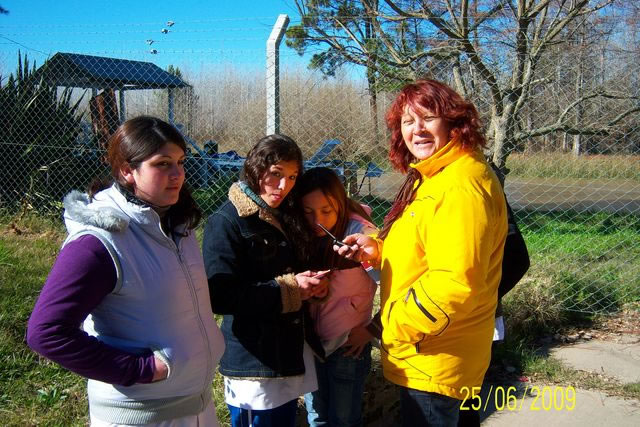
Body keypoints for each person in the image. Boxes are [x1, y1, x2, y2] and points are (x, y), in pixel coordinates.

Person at [26, 116, 225, 426]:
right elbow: (46, 332)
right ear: (126, 171)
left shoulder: (175, 225)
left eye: (180, 162)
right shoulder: (99, 242)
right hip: (141, 416)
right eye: (162, 164)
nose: (178, 174)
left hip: (195, 405)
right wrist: (139, 369)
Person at [335, 79, 508, 426]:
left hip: (434, 358)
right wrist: (376, 248)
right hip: (438, 353)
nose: (417, 130)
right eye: (407, 121)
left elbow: (454, 285)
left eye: (428, 118)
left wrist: (391, 325)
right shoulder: (437, 176)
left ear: (453, 121)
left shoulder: (458, 187)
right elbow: (427, 247)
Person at [202, 134, 329, 427]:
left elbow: (292, 270)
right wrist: (291, 289)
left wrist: (312, 285)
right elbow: (220, 295)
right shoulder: (227, 221)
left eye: (292, 176)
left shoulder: (282, 214)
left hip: (286, 353)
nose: (284, 185)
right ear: (255, 169)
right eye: (276, 174)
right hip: (253, 362)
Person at [297, 167, 379, 427]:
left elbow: (395, 285)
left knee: (344, 420)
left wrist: (373, 329)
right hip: (313, 345)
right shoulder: (302, 231)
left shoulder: (361, 234)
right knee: (317, 416)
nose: (317, 220)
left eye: (326, 211)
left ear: (340, 204)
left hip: (348, 345)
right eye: (308, 212)